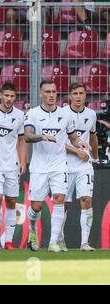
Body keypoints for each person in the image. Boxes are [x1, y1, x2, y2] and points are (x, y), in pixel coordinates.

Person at [24, 80, 91, 252]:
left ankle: (53, 242)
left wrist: (80, 143)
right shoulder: (32, 114)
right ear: (40, 94)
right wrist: (42, 136)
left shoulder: (64, 115)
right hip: (39, 166)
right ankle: (32, 229)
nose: (51, 95)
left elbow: (73, 137)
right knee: (36, 206)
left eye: (53, 92)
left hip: (59, 165)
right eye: (47, 92)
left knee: (59, 199)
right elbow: (27, 136)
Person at [0, 83, 27, 250]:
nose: (9, 99)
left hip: (12, 164)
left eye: (12, 96)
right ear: (0, 95)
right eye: (6, 95)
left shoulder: (19, 115)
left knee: (11, 201)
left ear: (15, 97)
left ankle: (8, 241)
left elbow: (22, 139)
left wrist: (23, 161)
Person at [59, 83, 99, 252]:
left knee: (86, 200)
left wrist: (95, 157)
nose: (78, 96)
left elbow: (93, 136)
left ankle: (84, 243)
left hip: (84, 165)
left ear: (85, 95)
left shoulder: (91, 114)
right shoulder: (62, 114)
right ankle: (60, 241)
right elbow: (59, 141)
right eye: (74, 93)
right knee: (64, 204)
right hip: (65, 164)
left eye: (81, 93)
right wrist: (77, 151)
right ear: (69, 95)